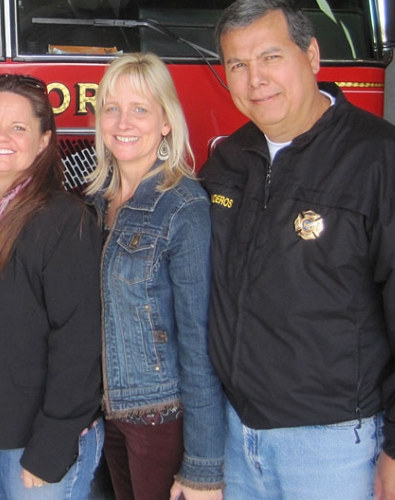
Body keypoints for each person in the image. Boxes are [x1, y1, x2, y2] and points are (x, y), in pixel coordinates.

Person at [200, 0, 395, 500]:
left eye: (271, 57)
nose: (255, 79)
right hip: (235, 439)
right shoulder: (228, 163)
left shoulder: (386, 163)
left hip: (334, 448)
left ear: (313, 57)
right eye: (237, 64)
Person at [0, 73, 103, 500]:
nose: (2, 137)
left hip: (39, 439)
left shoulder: (63, 219)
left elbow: (81, 343)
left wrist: (52, 445)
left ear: (44, 141)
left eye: (19, 128)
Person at [84, 53, 224, 500]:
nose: (123, 121)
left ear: (166, 121)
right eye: (112, 107)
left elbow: (200, 342)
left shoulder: (183, 206)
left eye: (140, 109)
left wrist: (203, 465)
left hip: (160, 422)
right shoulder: (93, 203)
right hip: (106, 417)